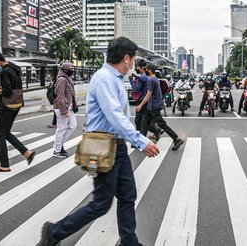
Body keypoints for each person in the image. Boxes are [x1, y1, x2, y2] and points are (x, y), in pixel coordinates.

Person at [40, 37, 160, 246]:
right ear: (126, 58)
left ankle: (129, 242)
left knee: (127, 196)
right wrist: (141, 141)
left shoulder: (112, 78)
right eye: (133, 59)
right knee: (101, 203)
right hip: (104, 145)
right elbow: (115, 115)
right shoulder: (105, 78)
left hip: (117, 146)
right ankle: (54, 232)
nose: (133, 64)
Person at [0, 52, 35, 172]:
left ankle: (4, 164)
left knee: (0, 134)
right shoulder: (15, 68)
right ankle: (26, 152)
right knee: (6, 132)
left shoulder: (5, 71)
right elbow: (13, 88)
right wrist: (0, 88)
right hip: (17, 103)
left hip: (7, 106)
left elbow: (7, 92)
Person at [137, 64, 185, 150]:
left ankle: (176, 139)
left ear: (150, 70)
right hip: (151, 106)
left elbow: (148, 94)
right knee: (144, 123)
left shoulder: (152, 80)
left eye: (146, 69)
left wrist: (140, 105)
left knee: (161, 124)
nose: (145, 71)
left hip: (154, 107)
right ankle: (141, 142)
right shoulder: (155, 80)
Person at [52, 62, 78, 158]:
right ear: (65, 70)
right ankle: (57, 151)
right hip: (61, 108)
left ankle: (58, 144)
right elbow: (60, 96)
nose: (72, 71)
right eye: (71, 69)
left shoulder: (67, 78)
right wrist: (64, 111)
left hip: (69, 107)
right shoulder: (62, 80)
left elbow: (71, 94)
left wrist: (74, 105)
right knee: (62, 128)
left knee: (73, 126)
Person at [130, 58, 150, 132]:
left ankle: (139, 136)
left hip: (142, 100)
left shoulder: (142, 77)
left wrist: (130, 80)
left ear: (142, 68)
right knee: (144, 120)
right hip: (147, 100)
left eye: (138, 67)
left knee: (138, 120)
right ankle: (155, 130)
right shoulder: (147, 76)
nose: (136, 68)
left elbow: (136, 89)